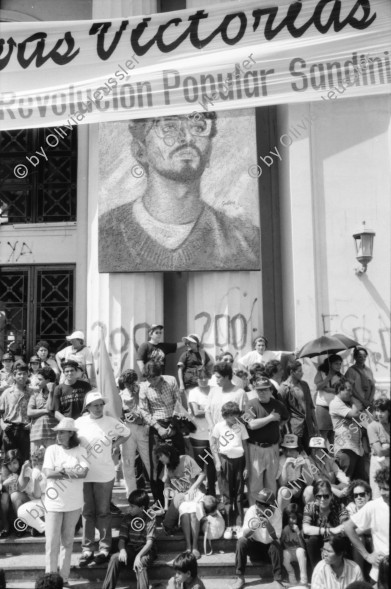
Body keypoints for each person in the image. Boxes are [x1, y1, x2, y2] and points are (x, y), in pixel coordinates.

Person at [99, 112, 260, 272]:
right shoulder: (105, 232)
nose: (188, 138)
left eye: (198, 127)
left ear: (209, 152)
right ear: (140, 151)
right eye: (169, 127)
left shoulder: (245, 242)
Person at [75, 392, 130, 566]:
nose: (98, 408)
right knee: (87, 511)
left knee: (103, 511)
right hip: (83, 474)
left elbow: (126, 433)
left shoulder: (111, 422)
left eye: (100, 404)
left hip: (105, 473)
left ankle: (105, 547)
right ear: (88, 407)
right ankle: (87, 548)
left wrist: (114, 445)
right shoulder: (79, 422)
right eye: (94, 405)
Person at [42, 417, 89, 584]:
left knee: (67, 542)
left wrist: (61, 470)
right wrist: (71, 471)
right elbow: (48, 473)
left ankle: (63, 578)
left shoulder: (80, 451)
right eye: (57, 432)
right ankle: (50, 579)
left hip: (73, 503)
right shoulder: (51, 450)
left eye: (62, 432)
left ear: (71, 433)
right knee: (52, 543)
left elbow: (83, 473)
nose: (58, 435)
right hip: (53, 503)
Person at [138, 361, 185, 503]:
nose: (152, 381)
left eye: (155, 378)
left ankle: (179, 500)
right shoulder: (144, 387)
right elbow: (143, 410)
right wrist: (158, 427)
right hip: (156, 425)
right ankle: (159, 502)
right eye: (149, 378)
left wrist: (172, 426)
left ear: (160, 375)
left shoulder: (171, 380)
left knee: (178, 461)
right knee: (156, 465)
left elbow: (178, 404)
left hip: (173, 423)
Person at [243, 376, 288, 502]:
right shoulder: (251, 404)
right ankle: (255, 515)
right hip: (255, 448)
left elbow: (285, 418)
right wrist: (270, 418)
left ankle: (270, 514)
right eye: (259, 390)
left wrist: (277, 426)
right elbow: (251, 424)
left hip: (273, 448)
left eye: (264, 390)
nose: (261, 392)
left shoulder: (278, 404)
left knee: (271, 484)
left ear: (271, 390)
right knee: (255, 485)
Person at [157, 443, 206, 559]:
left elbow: (202, 474)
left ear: (168, 454)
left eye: (160, 455)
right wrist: (165, 506)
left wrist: (193, 488)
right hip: (181, 497)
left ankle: (195, 547)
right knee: (184, 512)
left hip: (195, 493)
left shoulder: (186, 459)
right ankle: (188, 547)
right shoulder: (166, 466)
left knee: (193, 512)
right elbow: (167, 486)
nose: (159, 458)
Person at [102, 489, 157, 589]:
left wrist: (138, 556)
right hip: (131, 549)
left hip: (146, 551)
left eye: (132, 506)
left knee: (141, 563)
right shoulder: (127, 518)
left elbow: (149, 543)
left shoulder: (150, 519)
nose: (129, 508)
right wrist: (122, 551)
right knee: (114, 558)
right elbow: (122, 540)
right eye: (129, 505)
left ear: (142, 508)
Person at [344, 466, 389, 585]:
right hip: (380, 574)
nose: (382, 493)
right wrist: (367, 556)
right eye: (380, 488)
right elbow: (348, 527)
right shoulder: (374, 506)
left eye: (386, 489)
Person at [231, 488, 284, 589]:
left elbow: (276, 537)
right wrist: (254, 525)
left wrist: (268, 525)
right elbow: (245, 535)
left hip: (269, 549)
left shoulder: (277, 513)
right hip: (254, 547)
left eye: (261, 504)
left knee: (276, 545)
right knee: (241, 542)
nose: (258, 506)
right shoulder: (252, 510)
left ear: (270, 506)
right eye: (257, 502)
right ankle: (240, 578)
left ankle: (278, 580)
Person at [210, 401, 249, 539]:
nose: (233, 418)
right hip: (224, 461)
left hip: (239, 461)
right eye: (230, 415)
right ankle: (228, 525)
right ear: (225, 415)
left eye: (235, 415)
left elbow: (246, 446)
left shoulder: (241, 426)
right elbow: (213, 443)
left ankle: (239, 525)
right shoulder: (218, 427)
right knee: (226, 495)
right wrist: (217, 461)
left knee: (238, 494)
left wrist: (247, 466)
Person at [302, 478, 349, 571]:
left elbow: (345, 526)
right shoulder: (310, 507)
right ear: (315, 497)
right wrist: (331, 530)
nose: (322, 499)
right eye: (319, 496)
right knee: (312, 540)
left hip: (334, 541)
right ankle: (317, 571)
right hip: (318, 542)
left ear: (331, 496)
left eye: (326, 496)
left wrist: (333, 534)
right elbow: (306, 528)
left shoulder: (339, 507)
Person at [117, 369, 151, 498]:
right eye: (127, 383)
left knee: (149, 460)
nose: (129, 385)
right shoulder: (121, 395)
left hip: (143, 428)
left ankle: (157, 490)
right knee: (128, 462)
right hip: (128, 429)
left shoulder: (144, 390)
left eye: (131, 382)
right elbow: (119, 414)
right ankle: (131, 494)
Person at [329, 381, 367, 480]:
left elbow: (361, 416)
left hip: (356, 449)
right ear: (339, 390)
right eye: (349, 390)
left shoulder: (346, 404)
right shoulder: (336, 403)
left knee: (359, 482)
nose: (351, 393)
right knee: (346, 482)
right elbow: (355, 414)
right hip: (346, 449)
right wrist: (353, 400)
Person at [278, 359, 318, 451]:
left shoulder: (304, 384)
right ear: (292, 372)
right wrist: (287, 431)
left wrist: (315, 425)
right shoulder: (283, 389)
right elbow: (283, 413)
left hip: (308, 426)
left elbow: (311, 406)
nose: (302, 373)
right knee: (296, 455)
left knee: (310, 453)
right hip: (294, 428)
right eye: (299, 371)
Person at [188, 368, 216, 496]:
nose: (203, 380)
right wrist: (210, 410)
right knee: (199, 466)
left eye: (205, 377)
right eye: (200, 378)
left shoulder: (215, 390)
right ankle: (199, 492)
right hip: (198, 434)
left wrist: (204, 409)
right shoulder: (193, 393)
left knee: (211, 465)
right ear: (196, 379)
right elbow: (196, 412)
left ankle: (212, 491)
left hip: (213, 433)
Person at [0, 364, 31, 462]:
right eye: (19, 374)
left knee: (25, 460)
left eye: (24, 374)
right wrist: (2, 424)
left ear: (28, 375)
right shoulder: (7, 392)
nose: (22, 376)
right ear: (14, 376)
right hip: (10, 429)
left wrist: (32, 424)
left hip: (25, 429)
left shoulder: (31, 393)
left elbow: (35, 411)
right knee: (9, 460)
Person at [276, 433, 313, 512]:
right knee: (283, 491)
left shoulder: (304, 460)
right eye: (286, 449)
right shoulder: (281, 460)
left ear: (298, 450)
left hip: (300, 491)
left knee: (310, 490)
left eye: (292, 449)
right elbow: (282, 483)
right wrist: (285, 466)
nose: (288, 452)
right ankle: (282, 519)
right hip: (287, 491)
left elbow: (310, 482)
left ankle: (309, 517)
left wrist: (305, 466)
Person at [345, 479, 373, 580]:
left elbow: (375, 527)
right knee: (359, 537)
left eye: (362, 494)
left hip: (372, 538)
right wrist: (365, 529)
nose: (359, 498)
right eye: (355, 495)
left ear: (368, 495)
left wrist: (361, 530)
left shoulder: (373, 506)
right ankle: (360, 577)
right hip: (358, 540)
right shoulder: (351, 508)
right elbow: (351, 530)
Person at [205, 362, 245, 430]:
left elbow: (243, 415)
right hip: (215, 434)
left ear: (226, 377)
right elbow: (207, 411)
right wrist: (211, 425)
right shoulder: (213, 391)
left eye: (218, 377)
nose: (216, 380)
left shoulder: (240, 393)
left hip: (233, 435)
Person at [177, 334, 213, 410]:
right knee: (192, 406)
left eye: (190, 342)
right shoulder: (185, 354)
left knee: (204, 404)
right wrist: (181, 384)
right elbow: (180, 369)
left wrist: (208, 376)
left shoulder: (203, 353)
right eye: (187, 342)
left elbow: (210, 364)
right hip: (190, 384)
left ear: (196, 343)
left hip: (201, 383)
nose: (188, 344)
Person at [314, 354, 344, 444]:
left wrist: (327, 389)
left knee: (334, 435)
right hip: (323, 408)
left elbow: (341, 391)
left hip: (336, 408)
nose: (339, 366)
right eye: (336, 364)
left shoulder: (341, 377)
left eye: (340, 364)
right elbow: (318, 387)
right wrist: (329, 377)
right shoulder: (321, 373)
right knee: (323, 434)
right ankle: (322, 456)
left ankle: (334, 456)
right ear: (330, 364)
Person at [27, 367, 58, 453]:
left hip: (52, 435)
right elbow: (29, 412)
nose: (37, 382)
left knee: (52, 463)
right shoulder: (35, 394)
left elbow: (50, 408)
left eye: (40, 379)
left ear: (48, 381)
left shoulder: (58, 393)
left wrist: (51, 392)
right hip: (36, 435)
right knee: (36, 463)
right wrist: (45, 411)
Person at [17, 447, 46, 535]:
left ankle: (45, 529)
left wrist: (37, 480)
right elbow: (20, 488)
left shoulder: (46, 472)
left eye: (40, 461)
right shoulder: (30, 471)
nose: (36, 464)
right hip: (35, 503)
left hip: (47, 502)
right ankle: (45, 528)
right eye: (34, 460)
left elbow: (37, 495)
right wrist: (23, 469)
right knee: (22, 511)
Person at [0, 449, 29, 538]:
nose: (14, 466)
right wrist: (4, 483)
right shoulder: (4, 471)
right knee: (4, 498)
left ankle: (20, 526)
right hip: (11, 497)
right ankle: (6, 526)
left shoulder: (24, 469)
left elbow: (21, 487)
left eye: (15, 462)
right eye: (11, 463)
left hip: (27, 497)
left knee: (15, 495)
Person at [367, 398, 390, 498]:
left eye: (383, 411)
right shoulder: (372, 426)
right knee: (378, 494)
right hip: (378, 463)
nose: (379, 414)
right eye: (377, 410)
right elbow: (379, 452)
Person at [281, 504, 308, 586]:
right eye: (289, 518)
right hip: (289, 552)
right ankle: (291, 574)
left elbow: (303, 548)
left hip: (298, 553)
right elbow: (281, 544)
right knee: (284, 554)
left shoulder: (301, 529)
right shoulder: (285, 529)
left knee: (300, 551)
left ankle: (304, 580)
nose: (291, 520)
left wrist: (298, 533)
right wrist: (282, 537)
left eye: (293, 518)